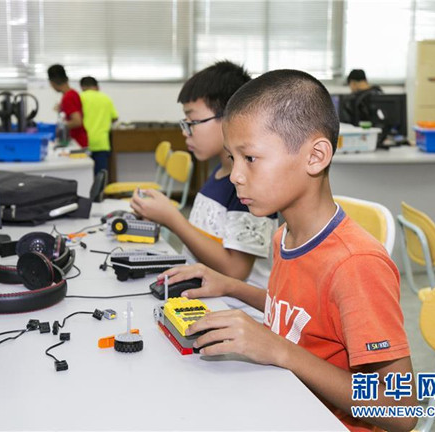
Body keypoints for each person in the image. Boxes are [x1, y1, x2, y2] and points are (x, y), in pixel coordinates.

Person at [160, 69, 416, 432]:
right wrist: (229, 286)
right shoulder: (285, 236)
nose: (235, 175)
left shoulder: (356, 265)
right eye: (232, 158)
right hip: (283, 403)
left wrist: (279, 350)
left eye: (250, 158)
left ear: (315, 156)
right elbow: (300, 315)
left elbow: (402, 410)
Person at [130, 61, 278, 309]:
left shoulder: (249, 186)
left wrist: (172, 219)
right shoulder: (218, 173)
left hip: (238, 312)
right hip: (207, 301)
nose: (185, 132)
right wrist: (158, 216)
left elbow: (235, 270)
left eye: (193, 121)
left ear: (232, 119)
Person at [79, 76, 118, 175]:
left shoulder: (80, 97)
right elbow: (114, 118)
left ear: (82, 87)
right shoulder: (106, 98)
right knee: (101, 177)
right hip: (102, 143)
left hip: (84, 143)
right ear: (97, 86)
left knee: (84, 176)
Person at [47, 64, 88, 148]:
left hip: (78, 143)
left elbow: (77, 121)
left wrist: (58, 128)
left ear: (52, 82)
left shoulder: (68, 97)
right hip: (79, 141)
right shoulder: (72, 93)